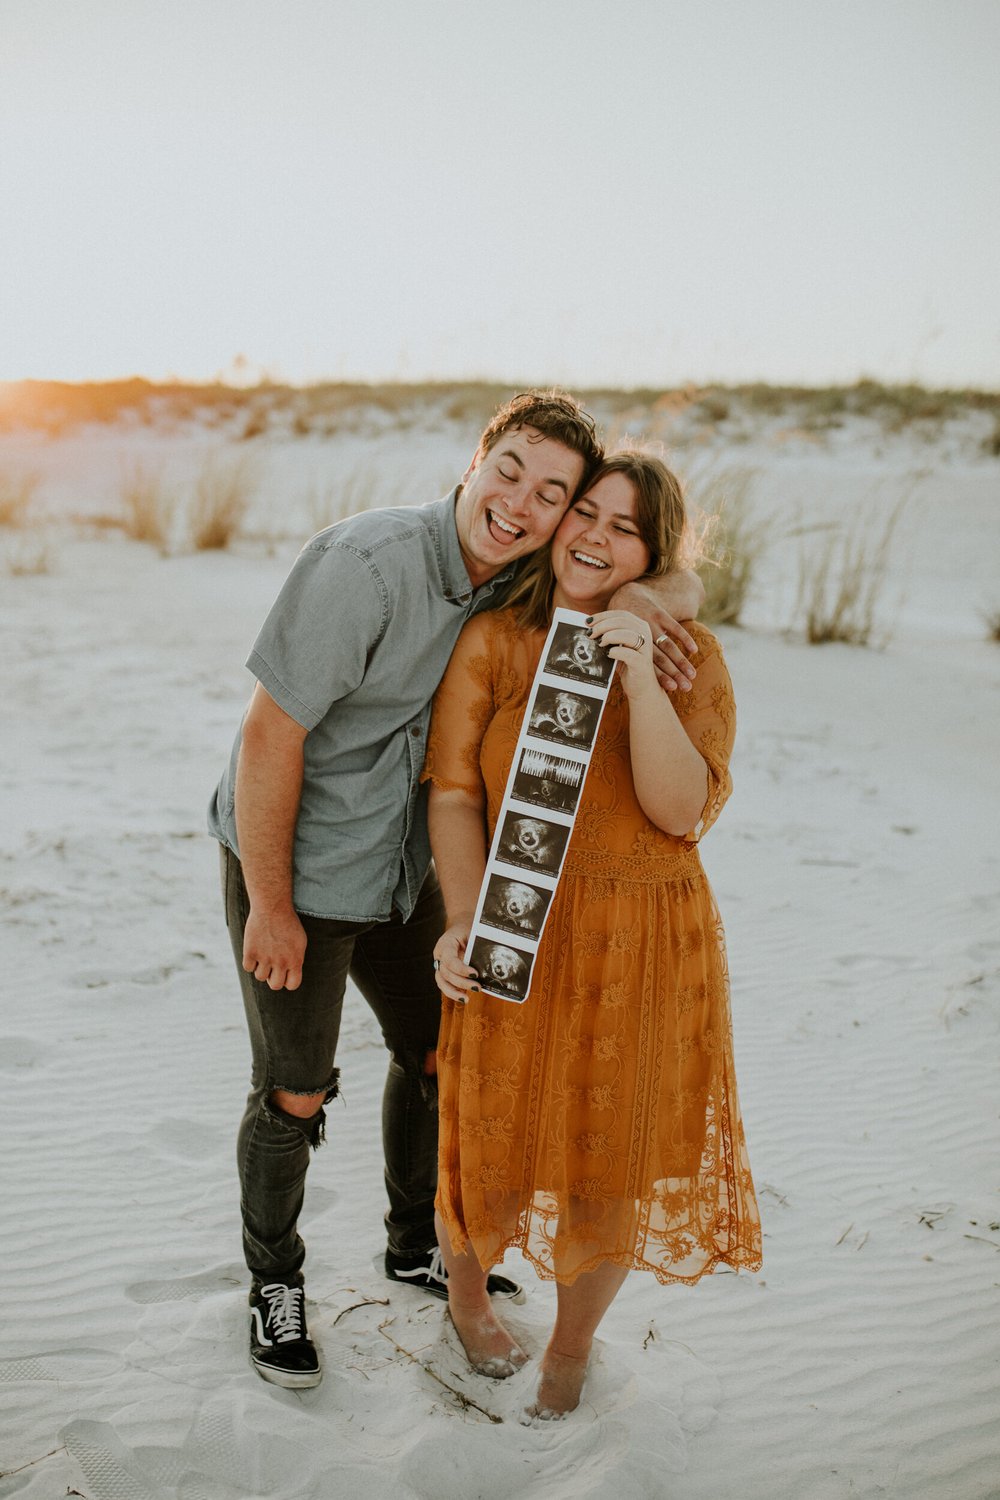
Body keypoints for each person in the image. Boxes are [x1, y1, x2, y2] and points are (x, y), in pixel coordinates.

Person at [208, 392, 705, 1389]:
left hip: (408, 865)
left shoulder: (522, 570)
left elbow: (655, 566)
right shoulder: (365, 564)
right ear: (474, 461)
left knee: (440, 1050)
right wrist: (269, 903)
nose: (520, 504)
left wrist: (652, 602)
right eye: (509, 471)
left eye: (550, 493)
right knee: (295, 1091)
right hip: (296, 864)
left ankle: (410, 1243)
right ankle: (275, 1280)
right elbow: (271, 736)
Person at [424, 448, 762, 1421]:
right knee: (483, 1132)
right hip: (519, 923)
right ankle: (465, 1298)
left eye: (626, 529)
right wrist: (459, 920)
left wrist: (638, 677)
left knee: (607, 1156)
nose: (596, 537)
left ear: (651, 556)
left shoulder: (681, 649)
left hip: (642, 936)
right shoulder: (495, 640)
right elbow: (452, 790)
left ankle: (570, 1351)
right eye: (588, 514)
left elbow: (676, 810)